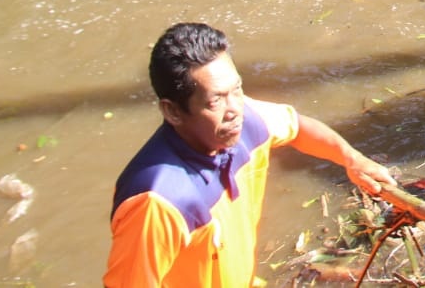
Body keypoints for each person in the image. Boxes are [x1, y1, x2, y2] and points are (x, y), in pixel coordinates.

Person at [105, 22, 395, 287]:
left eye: (237, 89)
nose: (235, 109)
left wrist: (351, 159)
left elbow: (299, 128)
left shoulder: (245, 121)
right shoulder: (157, 203)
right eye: (216, 100)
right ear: (172, 111)